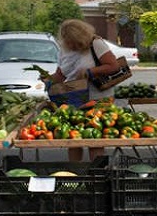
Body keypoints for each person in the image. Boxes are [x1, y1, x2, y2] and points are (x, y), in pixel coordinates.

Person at [44, 19, 120, 162]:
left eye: (74, 41)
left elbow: (113, 66)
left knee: (95, 139)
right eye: (68, 42)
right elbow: (61, 74)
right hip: (74, 98)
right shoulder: (64, 50)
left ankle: (98, 175)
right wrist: (48, 80)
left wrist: (90, 71)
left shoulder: (96, 44)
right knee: (73, 139)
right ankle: (75, 174)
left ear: (81, 37)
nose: (71, 45)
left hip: (99, 99)